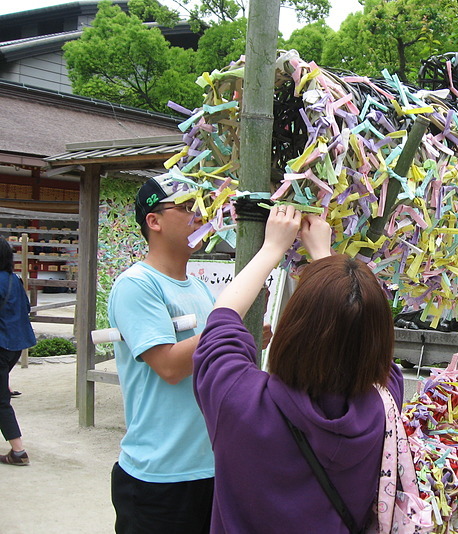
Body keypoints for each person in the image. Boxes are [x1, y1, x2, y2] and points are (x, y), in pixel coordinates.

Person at [192, 209, 405, 533]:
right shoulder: (385, 404)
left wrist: (271, 249)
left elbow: (222, 318)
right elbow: (370, 348)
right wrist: (328, 259)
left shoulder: (238, 399)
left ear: (293, 327)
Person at [107, 175, 216, 533]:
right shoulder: (137, 284)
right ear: (153, 221)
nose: (199, 215)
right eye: (186, 207)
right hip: (158, 476)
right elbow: (169, 366)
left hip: (210, 468)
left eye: (201, 206)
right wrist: (227, 327)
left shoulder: (200, 287)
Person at [0, 237, 36, 466]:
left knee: (1, 401)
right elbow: (26, 309)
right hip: (15, 345)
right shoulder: (15, 280)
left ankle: (18, 451)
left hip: (1, 344)